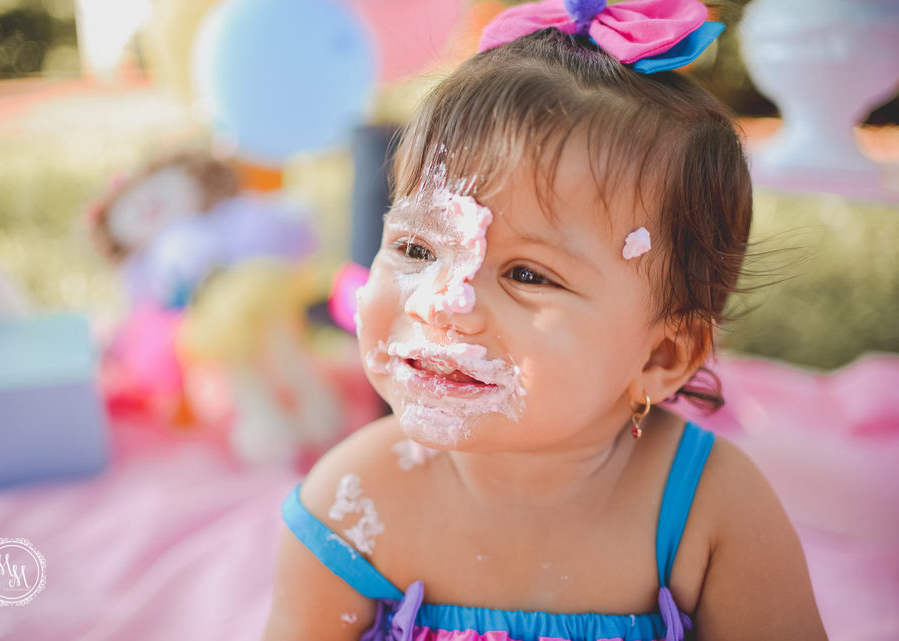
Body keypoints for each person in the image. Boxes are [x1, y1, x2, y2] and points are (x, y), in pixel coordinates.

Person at [263, 1, 828, 638]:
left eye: (528, 275)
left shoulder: (710, 512)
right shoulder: (352, 507)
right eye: (418, 249)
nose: (441, 302)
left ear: (660, 358)